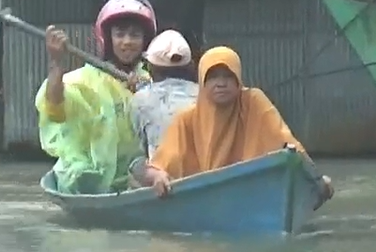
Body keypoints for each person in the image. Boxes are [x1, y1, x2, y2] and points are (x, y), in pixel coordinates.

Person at [138, 45, 334, 204]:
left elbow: (286, 142)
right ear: (202, 82)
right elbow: (162, 164)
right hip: (200, 197)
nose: (221, 83)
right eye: (213, 77)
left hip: (256, 187)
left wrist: (315, 179)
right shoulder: (186, 120)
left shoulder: (254, 102)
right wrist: (158, 178)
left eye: (228, 76)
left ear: (238, 79)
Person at [34, 0, 157, 194]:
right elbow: (55, 109)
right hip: (93, 178)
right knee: (82, 179)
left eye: (135, 35)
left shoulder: (153, 79)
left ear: (145, 40)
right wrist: (56, 63)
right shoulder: (84, 80)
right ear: (107, 38)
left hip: (140, 176)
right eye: (120, 34)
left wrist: (145, 94)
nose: (127, 42)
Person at [127, 30, 199, 185]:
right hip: (205, 176)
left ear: (150, 68)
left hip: (163, 180)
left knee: (134, 169)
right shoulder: (205, 94)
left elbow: (135, 158)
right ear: (191, 66)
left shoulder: (140, 99)